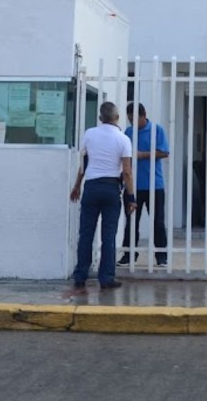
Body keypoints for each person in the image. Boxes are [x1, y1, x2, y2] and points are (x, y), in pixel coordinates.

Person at [69, 101, 136, 292]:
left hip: (91, 187)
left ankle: (80, 276)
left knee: (86, 234)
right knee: (109, 235)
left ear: (100, 118)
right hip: (111, 189)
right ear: (117, 118)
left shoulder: (90, 134)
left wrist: (76, 186)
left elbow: (83, 163)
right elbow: (127, 172)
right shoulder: (123, 139)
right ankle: (106, 278)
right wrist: (131, 197)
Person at [119, 102, 170, 267]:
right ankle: (128, 256)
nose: (133, 123)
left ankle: (161, 257)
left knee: (158, 222)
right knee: (131, 221)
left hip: (155, 185)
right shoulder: (128, 132)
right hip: (133, 185)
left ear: (144, 115)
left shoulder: (157, 130)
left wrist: (142, 155)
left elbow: (164, 152)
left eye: (135, 119)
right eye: (129, 120)